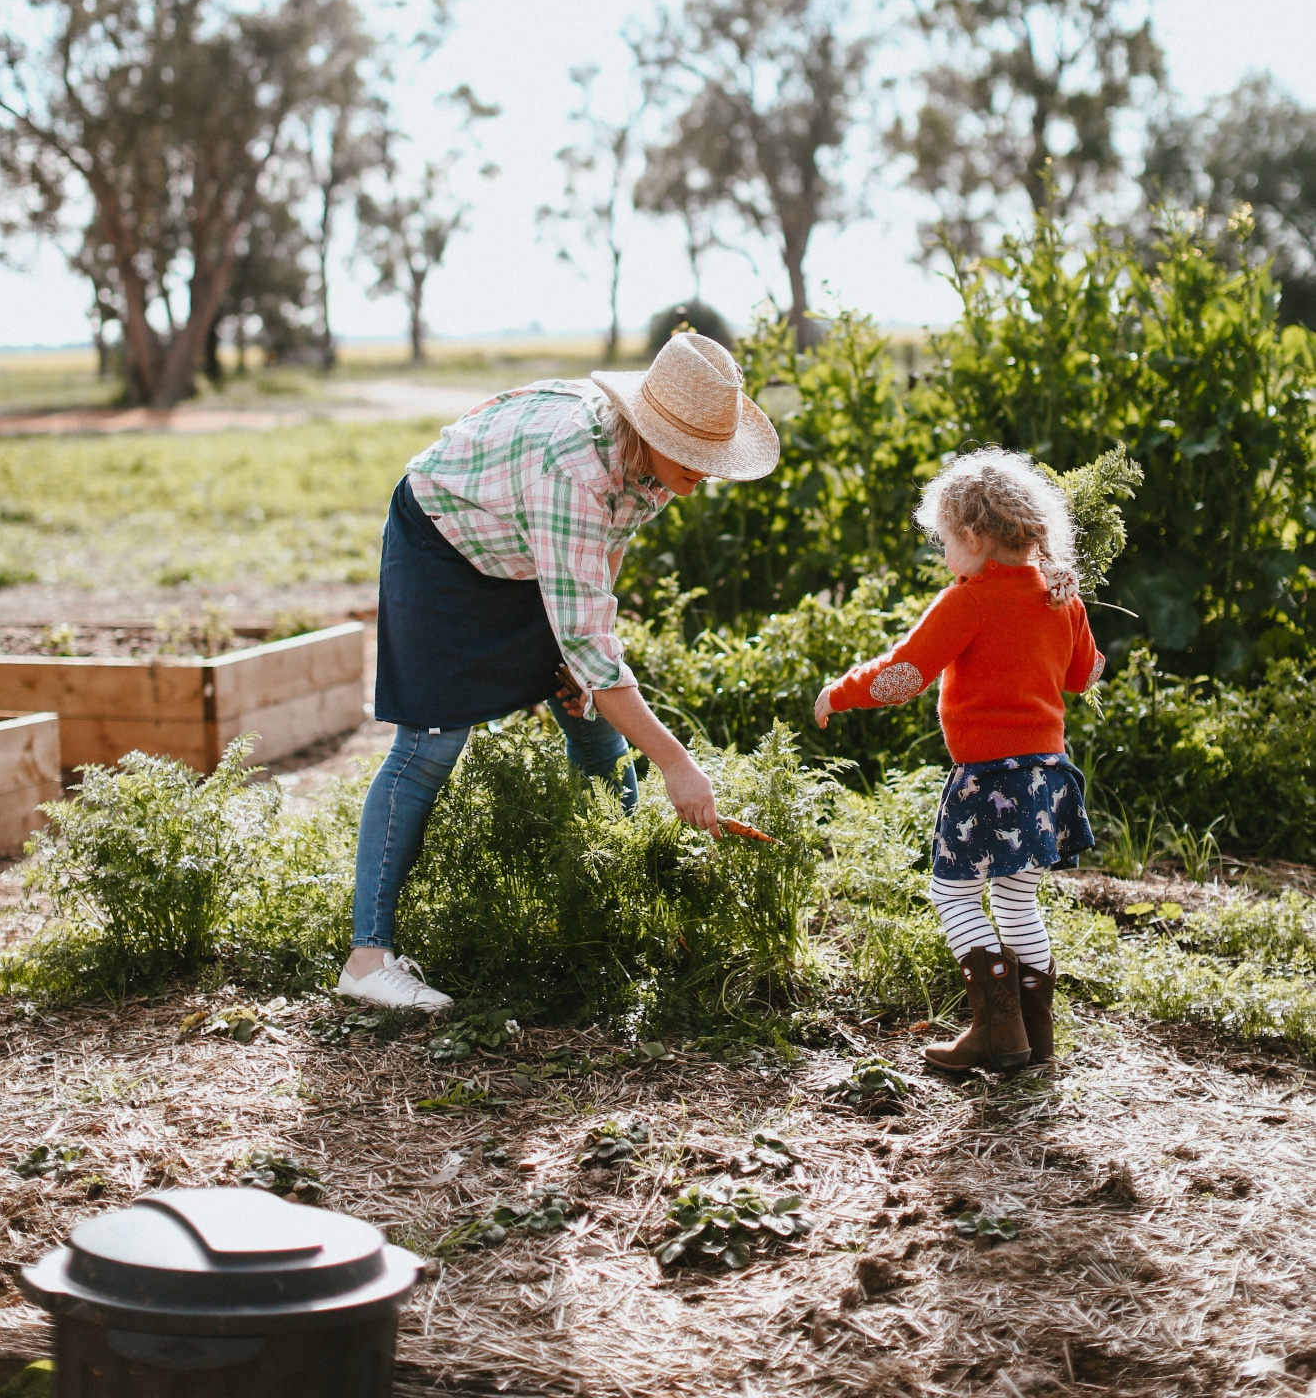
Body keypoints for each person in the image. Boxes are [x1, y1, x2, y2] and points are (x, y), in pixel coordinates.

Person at [337, 330, 780, 1013]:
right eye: (695, 458)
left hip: (529, 541)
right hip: (446, 543)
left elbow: (609, 547)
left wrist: (582, 665)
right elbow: (593, 621)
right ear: (649, 427)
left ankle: (609, 910)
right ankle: (367, 961)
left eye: (710, 458)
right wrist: (674, 761)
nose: (705, 475)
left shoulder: (654, 462)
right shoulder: (573, 470)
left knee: (588, 714)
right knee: (431, 743)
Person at [814, 449, 1103, 1071]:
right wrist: (1071, 617)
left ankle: (996, 1034)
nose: (945, 556)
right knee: (1018, 900)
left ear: (972, 536)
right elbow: (1085, 676)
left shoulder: (967, 600)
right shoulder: (1062, 597)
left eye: (945, 541)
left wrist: (838, 692)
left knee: (952, 893)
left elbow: (904, 676)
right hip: (1048, 776)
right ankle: (1035, 1037)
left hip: (989, 780)